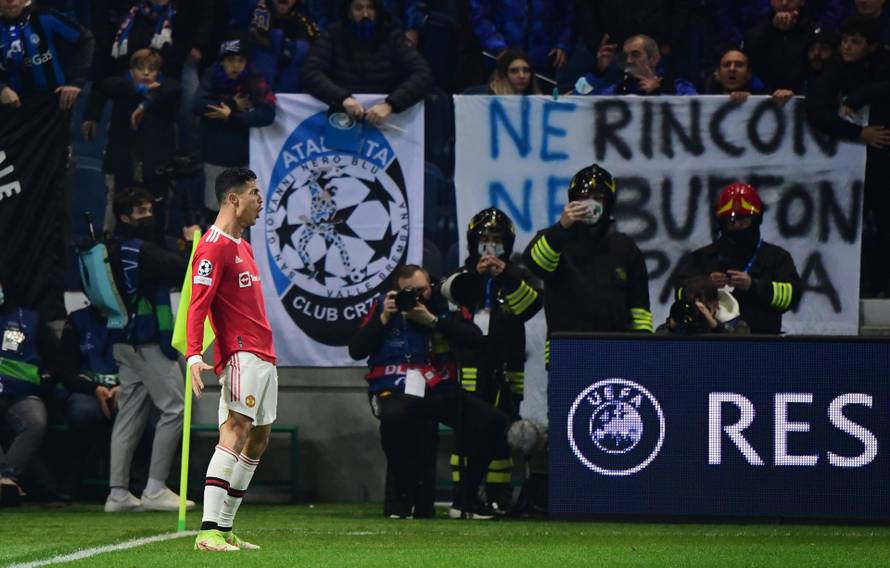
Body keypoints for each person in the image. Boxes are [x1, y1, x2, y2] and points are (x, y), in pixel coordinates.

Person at [348, 264, 509, 520]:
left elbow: (476, 340)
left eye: (423, 290)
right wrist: (383, 319)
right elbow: (356, 350)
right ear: (396, 292)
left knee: (493, 421)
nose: (418, 297)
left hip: (438, 388)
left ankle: (466, 500)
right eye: (410, 293)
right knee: (394, 419)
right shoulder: (383, 306)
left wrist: (433, 321)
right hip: (395, 388)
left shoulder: (443, 305)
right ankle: (403, 497)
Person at [187, 168, 277, 552]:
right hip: (241, 352)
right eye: (255, 193)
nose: (261, 201)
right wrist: (193, 355)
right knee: (236, 430)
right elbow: (197, 304)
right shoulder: (214, 246)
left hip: (263, 354)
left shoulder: (244, 245)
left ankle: (224, 528)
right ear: (233, 199)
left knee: (258, 439)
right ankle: (207, 530)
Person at [103, 188, 196, 513]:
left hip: (121, 340)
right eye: (141, 213)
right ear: (125, 217)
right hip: (145, 340)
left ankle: (118, 493)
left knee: (129, 414)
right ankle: (155, 487)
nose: (149, 217)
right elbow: (183, 269)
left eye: (149, 210)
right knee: (175, 408)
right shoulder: (140, 251)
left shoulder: (110, 248)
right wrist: (191, 242)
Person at [449, 208, 542, 512]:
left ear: (508, 244)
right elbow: (450, 307)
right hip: (471, 364)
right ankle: (463, 494)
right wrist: (477, 275)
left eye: (497, 240)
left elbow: (530, 308)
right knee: (468, 428)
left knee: (503, 428)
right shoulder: (462, 277)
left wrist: (504, 275)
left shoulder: (518, 275)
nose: (490, 245)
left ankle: (498, 494)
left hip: (507, 363)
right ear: (473, 242)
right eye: (485, 239)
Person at [0, 279, 112, 502]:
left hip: (22, 395)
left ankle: (6, 480)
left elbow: (60, 365)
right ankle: (6, 480)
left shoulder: (29, 320)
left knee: (35, 421)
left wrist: (93, 387)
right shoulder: (80, 319)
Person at [806, 15, 890, 297]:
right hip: (844, 164)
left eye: (855, 42)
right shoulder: (833, 70)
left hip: (882, 163)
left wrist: (860, 95)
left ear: (873, 46)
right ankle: (851, 286)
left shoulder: (884, 64)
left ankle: (880, 286)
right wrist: (858, 134)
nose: (847, 47)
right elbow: (816, 113)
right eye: (844, 41)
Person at [674, 182, 801, 334]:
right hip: (709, 341)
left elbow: (791, 297)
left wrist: (753, 286)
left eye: (744, 220)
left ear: (756, 220)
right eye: (732, 221)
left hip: (763, 342)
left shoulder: (776, 257)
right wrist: (706, 285)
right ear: (722, 223)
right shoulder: (700, 258)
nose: (738, 226)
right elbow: (680, 294)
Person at [301, 0, 434, 127]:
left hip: (384, 121)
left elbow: (423, 75)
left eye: (370, 7)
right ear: (349, 11)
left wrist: (391, 105)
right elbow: (310, 73)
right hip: (341, 118)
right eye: (358, 8)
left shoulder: (392, 35)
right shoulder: (332, 34)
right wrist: (342, 99)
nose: (365, 14)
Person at [193, 34, 276, 218]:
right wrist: (232, 103)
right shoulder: (212, 74)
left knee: (241, 210)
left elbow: (268, 113)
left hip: (244, 156)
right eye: (231, 60)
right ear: (222, 61)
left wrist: (232, 117)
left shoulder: (254, 79)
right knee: (216, 207)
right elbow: (197, 104)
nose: (236, 66)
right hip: (215, 154)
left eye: (241, 60)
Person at [101, 48, 181, 235]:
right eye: (141, 68)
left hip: (154, 166)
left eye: (151, 69)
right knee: (119, 209)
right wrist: (140, 90)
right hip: (123, 163)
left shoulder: (166, 93)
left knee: (156, 212)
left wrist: (148, 101)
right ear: (131, 71)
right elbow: (107, 84)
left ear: (158, 72)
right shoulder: (121, 88)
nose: (146, 73)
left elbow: (174, 88)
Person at [0, 0, 94, 111]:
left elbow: (85, 39)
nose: (10, 1)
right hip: (11, 106)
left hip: (52, 105)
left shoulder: (45, 17)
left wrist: (75, 82)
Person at [467, 0, 575, 80]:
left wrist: (563, 43)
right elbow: (479, 16)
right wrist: (497, 47)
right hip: (501, 60)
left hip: (544, 62)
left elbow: (572, 14)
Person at [573, 34, 697, 95]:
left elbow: (692, 116)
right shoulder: (618, 90)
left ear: (654, 59)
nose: (629, 61)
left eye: (635, 55)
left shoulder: (679, 87)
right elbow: (578, 98)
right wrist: (598, 71)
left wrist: (656, 94)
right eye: (626, 56)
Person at [744, 0, 814, 102]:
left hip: (804, 99)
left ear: (802, 1)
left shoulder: (814, 32)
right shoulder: (755, 33)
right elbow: (751, 62)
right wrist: (771, 28)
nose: (784, 3)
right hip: (762, 101)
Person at [248, 0, 319, 93]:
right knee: (275, 36)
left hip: (289, 92)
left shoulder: (303, 17)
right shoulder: (258, 9)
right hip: (257, 79)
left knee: (302, 48)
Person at [657, 276, 750, 334]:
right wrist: (671, 327)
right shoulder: (681, 325)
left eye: (702, 308)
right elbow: (655, 348)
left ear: (716, 305)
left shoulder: (738, 326)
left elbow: (739, 351)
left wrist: (716, 327)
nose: (697, 312)